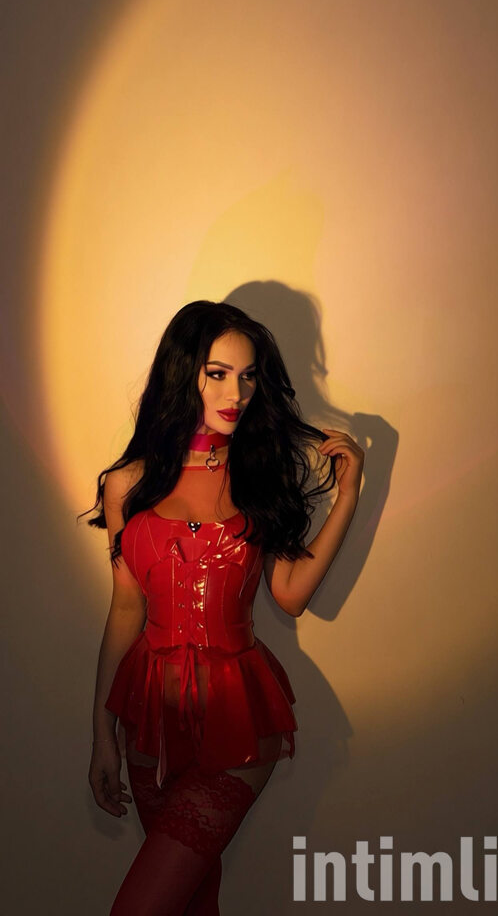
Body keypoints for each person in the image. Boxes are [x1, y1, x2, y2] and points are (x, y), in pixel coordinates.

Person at [85, 300, 364, 915]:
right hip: (149, 722)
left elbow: (290, 595)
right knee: (191, 902)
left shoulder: (258, 473)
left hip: (237, 717)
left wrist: (347, 496)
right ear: (183, 372)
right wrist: (102, 734)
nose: (236, 393)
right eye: (217, 373)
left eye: (248, 375)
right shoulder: (127, 485)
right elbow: (126, 610)